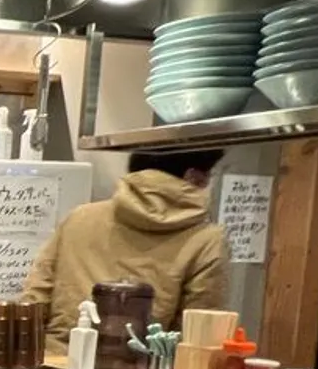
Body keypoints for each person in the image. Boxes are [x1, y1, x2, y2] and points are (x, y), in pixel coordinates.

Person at [22, 149, 229, 357]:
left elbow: (34, 299)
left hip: (54, 367)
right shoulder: (207, 239)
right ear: (193, 177)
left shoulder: (80, 218)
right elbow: (196, 333)